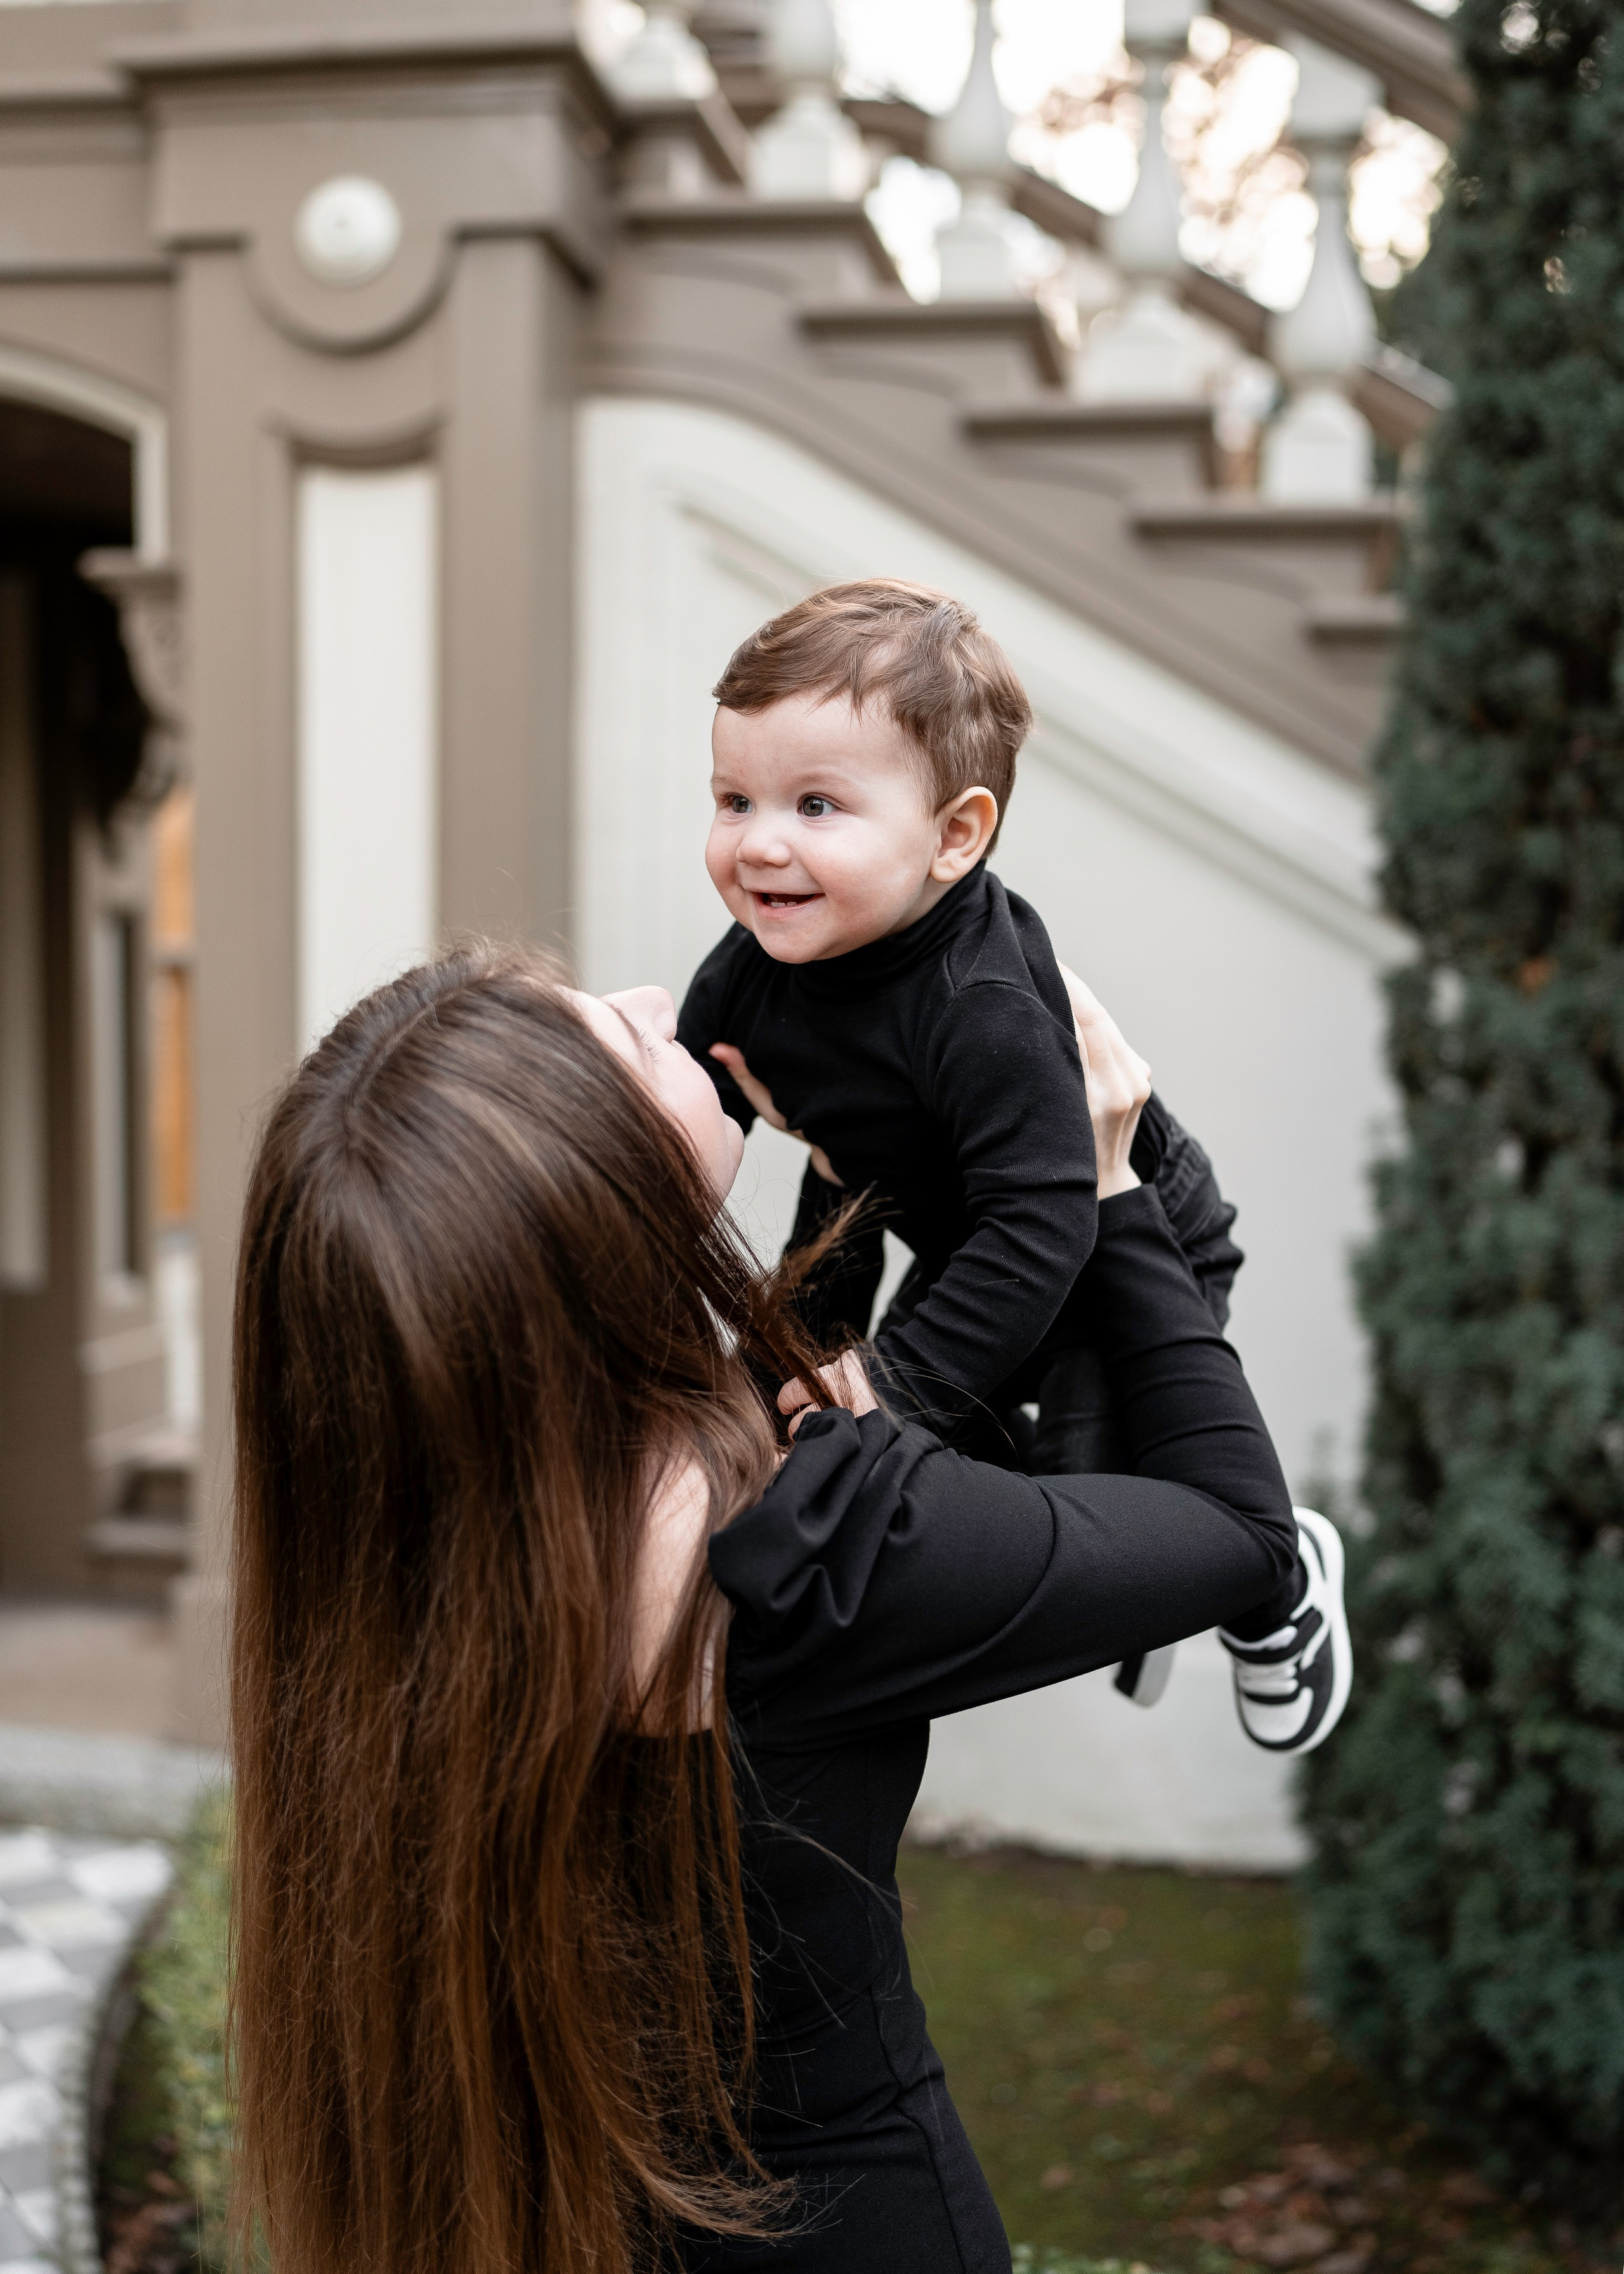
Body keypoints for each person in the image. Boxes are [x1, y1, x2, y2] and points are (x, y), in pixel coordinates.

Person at [230, 943, 1348, 2274]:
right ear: (598, 1204)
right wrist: (1104, 1188)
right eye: (621, 1038)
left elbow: (791, 1375)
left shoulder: (421, 1535)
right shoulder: (811, 1544)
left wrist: (845, 1169)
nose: (661, 1002)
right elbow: (1236, 1532)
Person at [676, 577, 1332, 1739]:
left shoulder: (980, 1003)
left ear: (956, 836)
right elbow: (693, 1131)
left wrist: (895, 1383)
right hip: (970, 1232)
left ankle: (1280, 1588)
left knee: (1101, 1488)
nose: (758, 843)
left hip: (1111, 1229)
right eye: (735, 798)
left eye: (816, 804)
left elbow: (1047, 1225)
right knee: (935, 1467)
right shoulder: (752, 967)